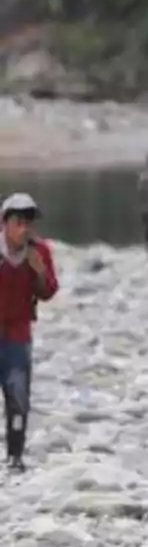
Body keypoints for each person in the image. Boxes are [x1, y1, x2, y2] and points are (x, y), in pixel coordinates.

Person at [0, 194, 58, 473]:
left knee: (18, 396)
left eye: (29, 223)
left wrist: (38, 272)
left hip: (17, 333)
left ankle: (15, 455)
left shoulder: (40, 252)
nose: (24, 229)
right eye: (18, 222)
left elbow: (47, 292)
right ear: (5, 223)